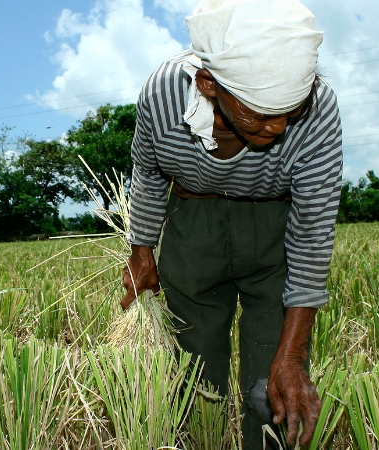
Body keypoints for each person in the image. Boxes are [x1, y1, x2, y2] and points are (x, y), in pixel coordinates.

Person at [122, 0, 341, 447]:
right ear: (208, 84)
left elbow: (313, 227)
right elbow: (147, 170)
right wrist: (142, 250)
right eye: (261, 113)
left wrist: (293, 353)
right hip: (193, 224)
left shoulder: (319, 109)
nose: (279, 128)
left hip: (272, 227)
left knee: (272, 380)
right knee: (194, 364)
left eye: (290, 112)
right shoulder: (162, 95)